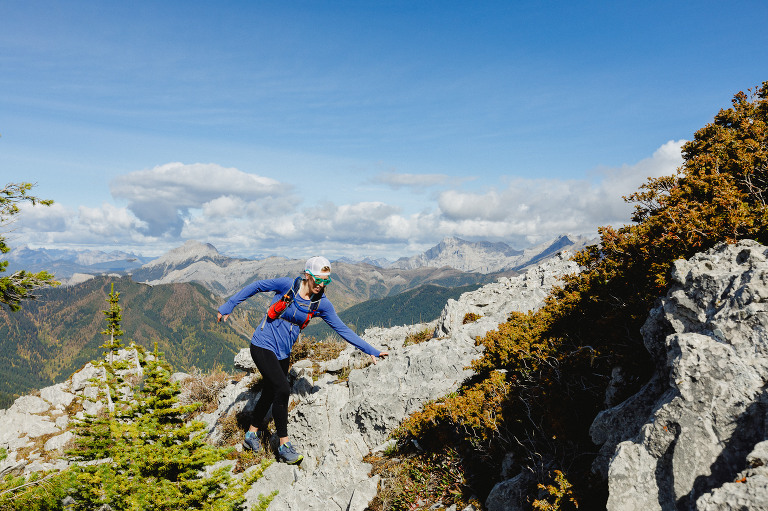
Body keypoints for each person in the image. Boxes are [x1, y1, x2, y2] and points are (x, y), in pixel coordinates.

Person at [217, 256, 388, 464]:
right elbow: (257, 286)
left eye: (326, 280)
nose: (322, 284)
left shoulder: (321, 304)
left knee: (271, 391)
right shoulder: (287, 286)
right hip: (262, 345)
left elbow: (342, 329)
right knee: (282, 389)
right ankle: (284, 445)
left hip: (283, 352)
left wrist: (370, 350)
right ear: (307, 275)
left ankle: (251, 434)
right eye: (318, 279)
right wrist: (229, 305)